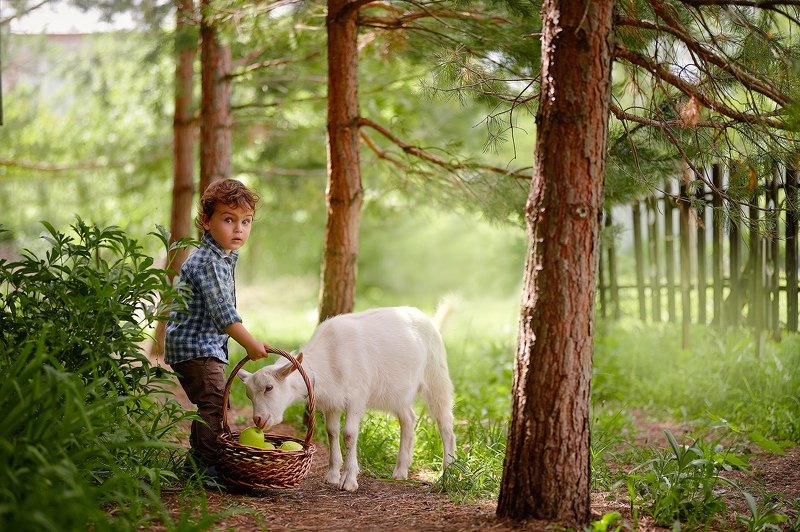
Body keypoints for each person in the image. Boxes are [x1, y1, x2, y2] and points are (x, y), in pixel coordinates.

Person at [165, 178, 271, 481]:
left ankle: (198, 462)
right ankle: (207, 467)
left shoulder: (223, 257)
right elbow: (224, 314)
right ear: (206, 222)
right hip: (195, 347)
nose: (239, 229)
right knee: (213, 402)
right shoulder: (209, 261)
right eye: (228, 219)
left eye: (246, 221)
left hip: (202, 345)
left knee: (213, 402)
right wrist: (250, 343)